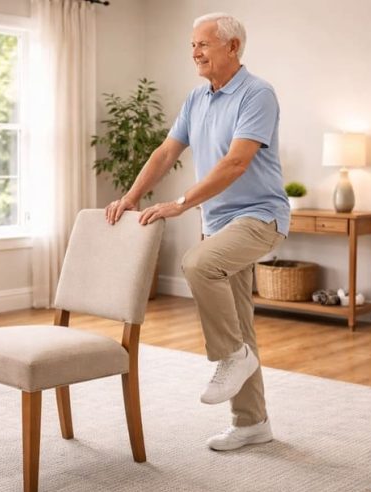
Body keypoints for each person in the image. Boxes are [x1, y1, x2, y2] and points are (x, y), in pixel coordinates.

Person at [104, 12, 289, 451]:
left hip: (260, 217)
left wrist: (182, 203)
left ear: (233, 48)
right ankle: (252, 423)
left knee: (199, 264)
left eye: (203, 45)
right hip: (219, 222)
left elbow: (236, 162)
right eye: (192, 45)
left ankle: (231, 357)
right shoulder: (198, 98)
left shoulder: (257, 94)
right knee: (240, 321)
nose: (195, 53)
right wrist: (132, 197)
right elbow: (166, 151)